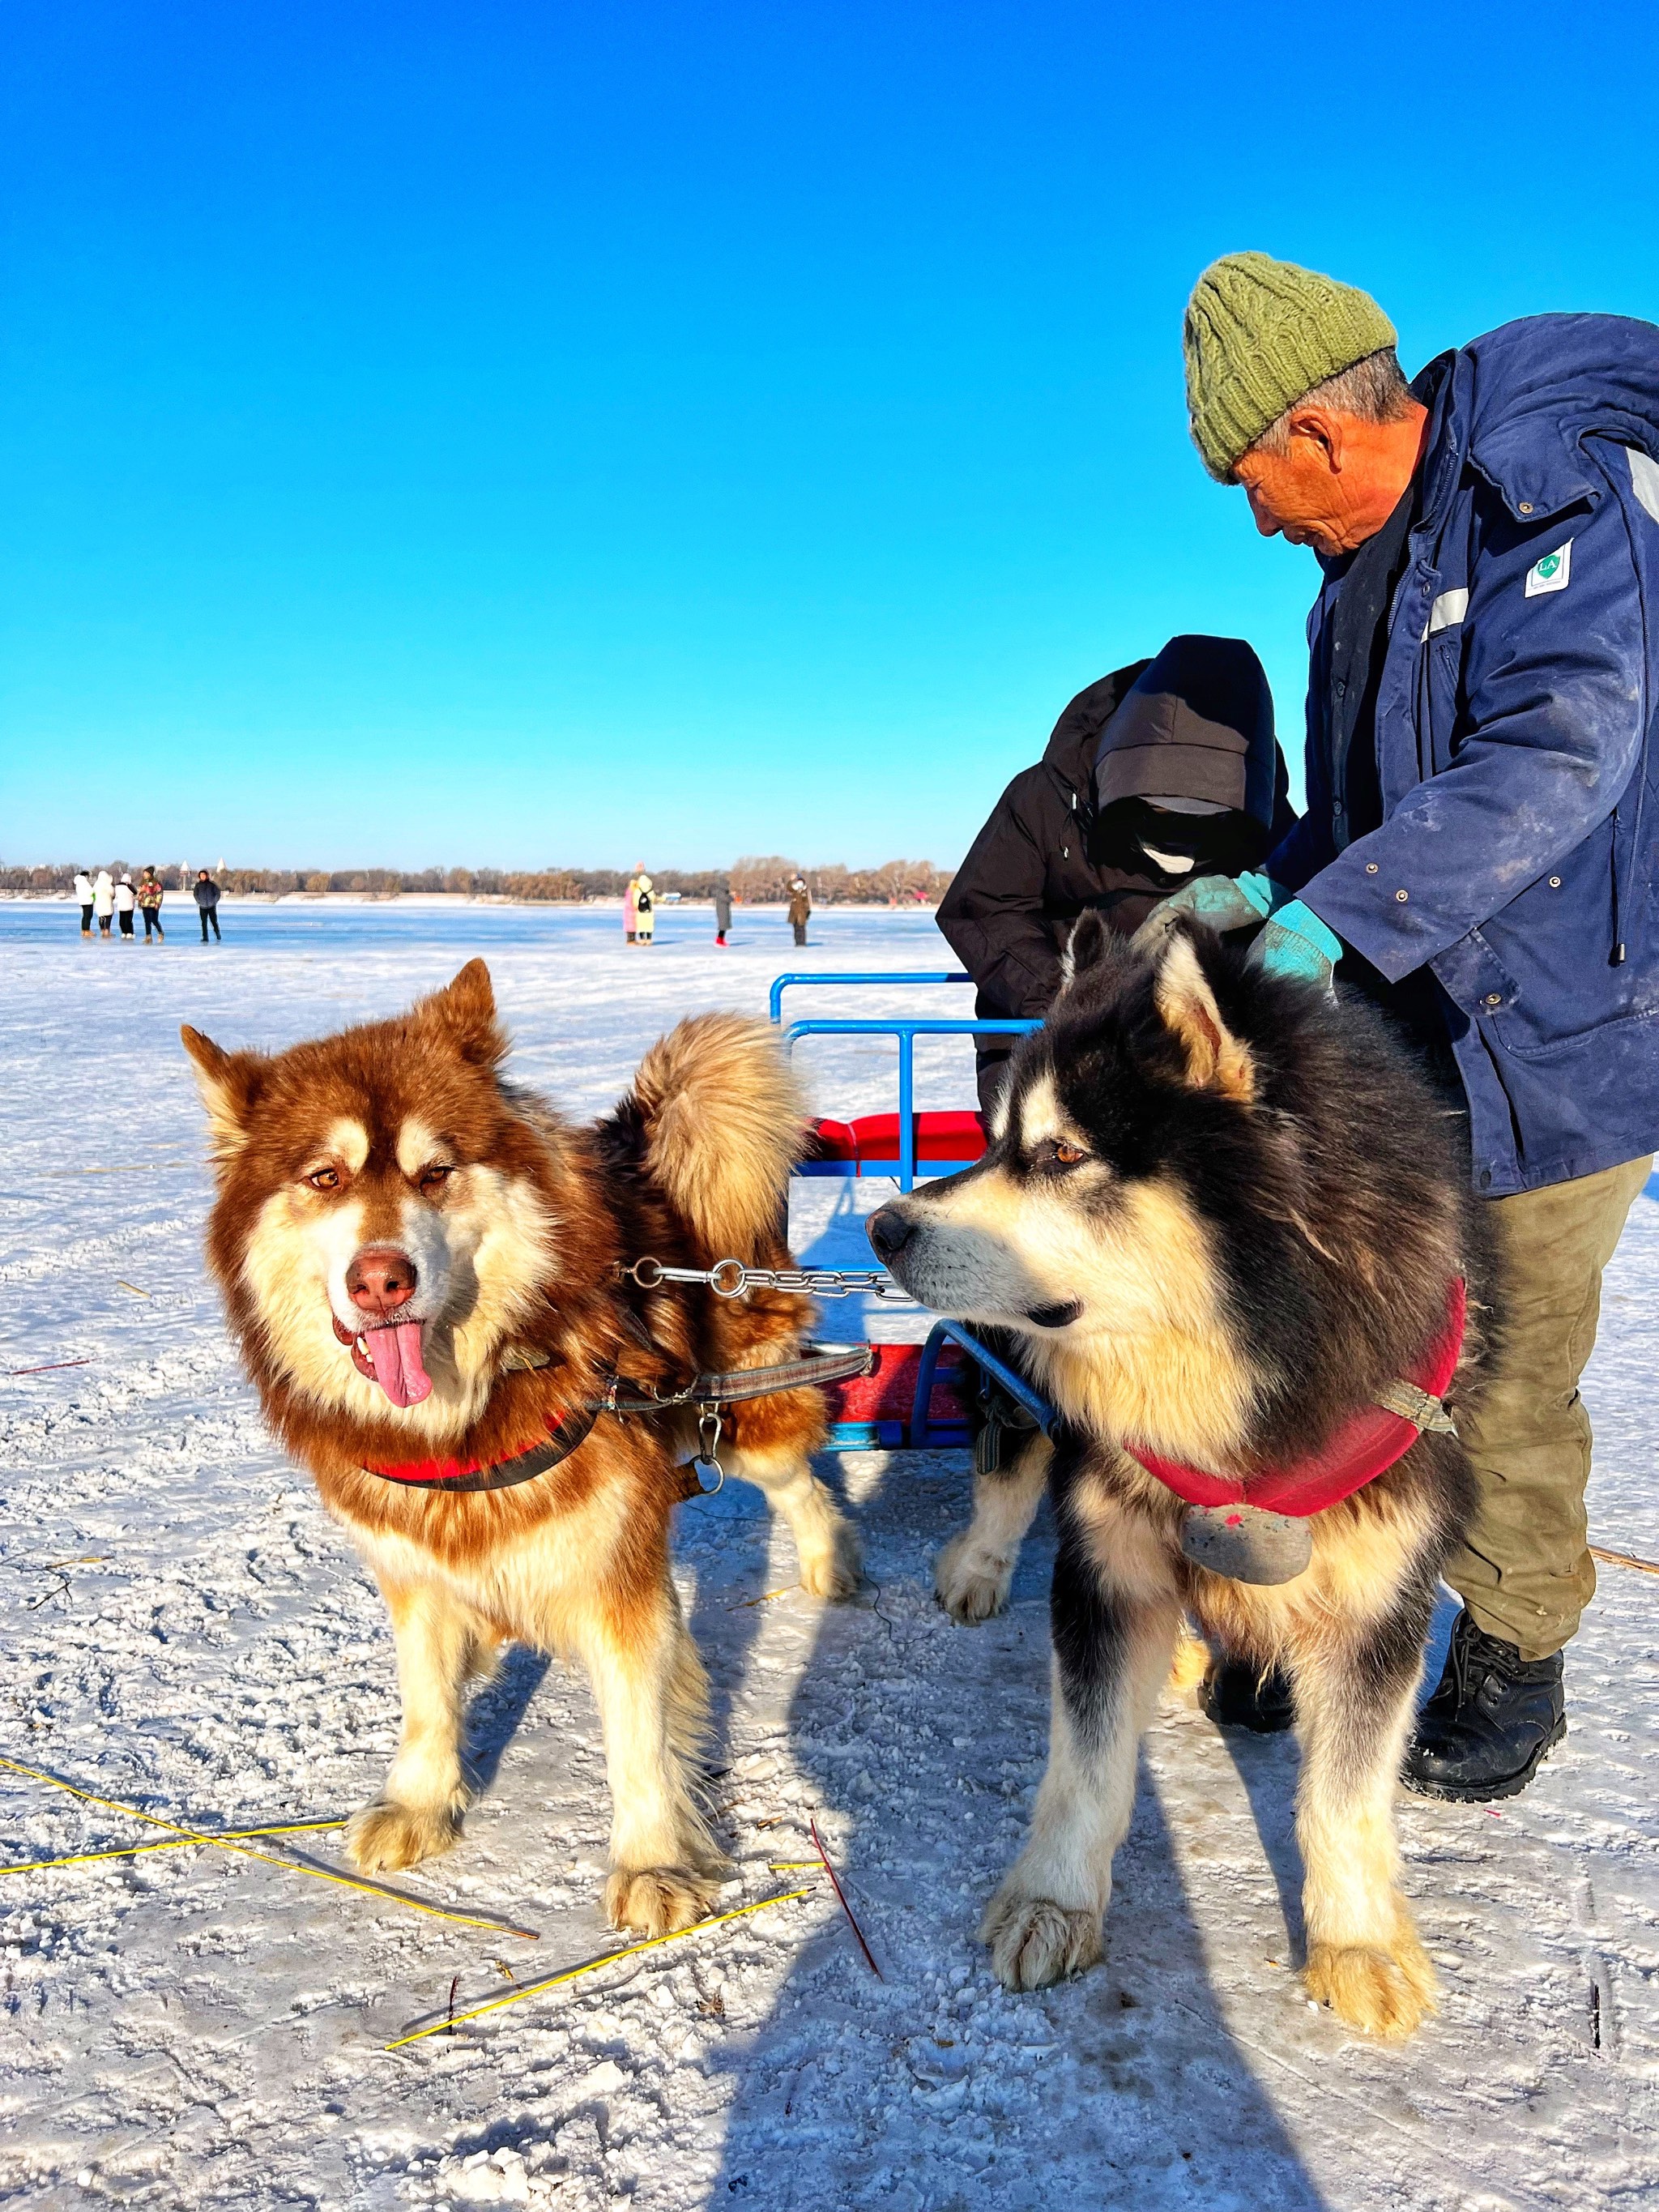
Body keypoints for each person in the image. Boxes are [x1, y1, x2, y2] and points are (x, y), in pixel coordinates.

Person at [1180, 252, 1659, 1796]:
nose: (1254, 519)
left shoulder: (1548, 490)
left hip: (1559, 1040)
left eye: (1251, 480)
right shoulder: (1350, 583)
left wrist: (1338, 921)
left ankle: (1513, 1646)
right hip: (1405, 1038)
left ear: (1316, 438)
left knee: (1504, 1372)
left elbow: (1556, 754)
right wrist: (1270, 890)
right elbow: (1369, 808)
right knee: (1341, 1328)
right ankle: (1312, 1604)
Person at [937, 634, 1294, 1114]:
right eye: (1162, 811)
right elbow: (981, 906)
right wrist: (1061, 994)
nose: (1181, 827)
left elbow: (1300, 890)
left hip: (1190, 1038)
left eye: (1206, 815)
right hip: (1054, 1032)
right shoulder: (1046, 797)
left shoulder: (1267, 816)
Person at [137, 866, 165, 942]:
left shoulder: (156, 883)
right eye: (144, 873)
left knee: (154, 920)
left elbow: (159, 893)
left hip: (153, 905)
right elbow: (140, 893)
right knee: (147, 921)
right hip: (145, 904)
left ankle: (160, 932)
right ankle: (148, 936)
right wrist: (139, 901)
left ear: (150, 874)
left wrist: (158, 903)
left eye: (146, 873)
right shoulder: (143, 883)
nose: (144, 875)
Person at [194, 869, 222, 942]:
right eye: (201, 875)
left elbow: (217, 893)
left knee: (213, 921)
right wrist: (199, 901)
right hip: (202, 906)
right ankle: (205, 937)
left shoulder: (212, 884)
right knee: (204, 923)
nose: (202, 877)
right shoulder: (198, 885)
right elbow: (195, 894)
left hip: (211, 906)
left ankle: (217, 933)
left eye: (204, 875)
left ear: (207, 876)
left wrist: (214, 901)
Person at [787, 873, 811, 948]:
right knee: (796, 929)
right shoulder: (795, 891)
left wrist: (807, 913)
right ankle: (797, 942)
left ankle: (802, 943)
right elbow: (789, 887)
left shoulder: (804, 892)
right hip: (794, 914)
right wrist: (791, 880)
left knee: (801, 929)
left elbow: (807, 904)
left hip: (802, 914)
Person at [633, 869, 655, 945]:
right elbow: (653, 900)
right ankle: (649, 940)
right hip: (649, 911)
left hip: (640, 912)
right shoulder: (651, 891)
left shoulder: (637, 891)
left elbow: (635, 901)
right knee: (649, 926)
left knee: (641, 926)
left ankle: (642, 940)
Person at [92, 869, 115, 937]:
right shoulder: (108, 885)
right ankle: (107, 931)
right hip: (107, 903)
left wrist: (95, 900)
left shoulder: (96, 885)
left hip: (99, 904)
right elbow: (113, 893)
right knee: (108, 917)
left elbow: (93, 894)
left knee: (101, 917)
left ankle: (102, 931)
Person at [114, 872, 137, 939]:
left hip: (121, 906)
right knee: (128, 920)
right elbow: (135, 892)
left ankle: (124, 932)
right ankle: (130, 932)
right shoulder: (128, 886)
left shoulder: (117, 886)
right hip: (129, 906)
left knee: (122, 920)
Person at [73, 869, 94, 937]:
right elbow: (90, 891)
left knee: (85, 916)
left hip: (82, 901)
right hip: (88, 901)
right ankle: (87, 930)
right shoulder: (84, 882)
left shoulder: (79, 883)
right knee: (88, 916)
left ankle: (84, 930)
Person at [714, 879, 733, 946]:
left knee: (724, 926)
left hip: (724, 911)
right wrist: (731, 896)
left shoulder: (724, 892)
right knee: (723, 926)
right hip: (722, 912)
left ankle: (721, 939)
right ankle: (719, 940)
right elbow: (727, 899)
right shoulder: (721, 892)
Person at [623, 872, 638, 944]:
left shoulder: (635, 892)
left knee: (634, 927)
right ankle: (630, 940)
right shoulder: (630, 892)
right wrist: (634, 907)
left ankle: (633, 939)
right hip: (630, 912)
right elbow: (629, 903)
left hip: (633, 912)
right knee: (630, 927)